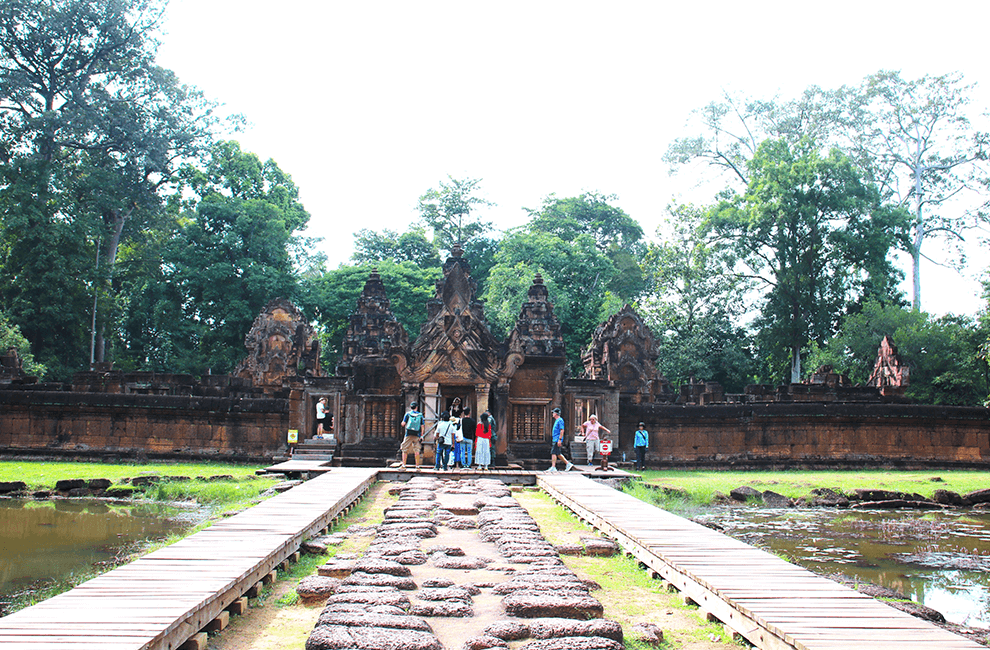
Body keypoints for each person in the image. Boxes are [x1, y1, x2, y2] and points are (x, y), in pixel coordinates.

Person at [548, 407, 574, 472]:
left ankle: (553, 467)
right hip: (555, 438)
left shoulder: (560, 420)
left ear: (556, 413)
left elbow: (562, 430)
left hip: (557, 439)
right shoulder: (557, 420)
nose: (552, 414)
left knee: (553, 452)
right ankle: (568, 464)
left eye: (553, 412)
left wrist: (560, 439)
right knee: (558, 453)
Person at [399, 401, 425, 468]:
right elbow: (422, 426)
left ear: (411, 407)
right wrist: (421, 435)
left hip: (408, 434)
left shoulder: (408, 414)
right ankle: (417, 466)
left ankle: (404, 465)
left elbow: (403, 424)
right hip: (417, 434)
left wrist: (403, 423)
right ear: (417, 407)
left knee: (404, 449)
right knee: (417, 450)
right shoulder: (420, 415)